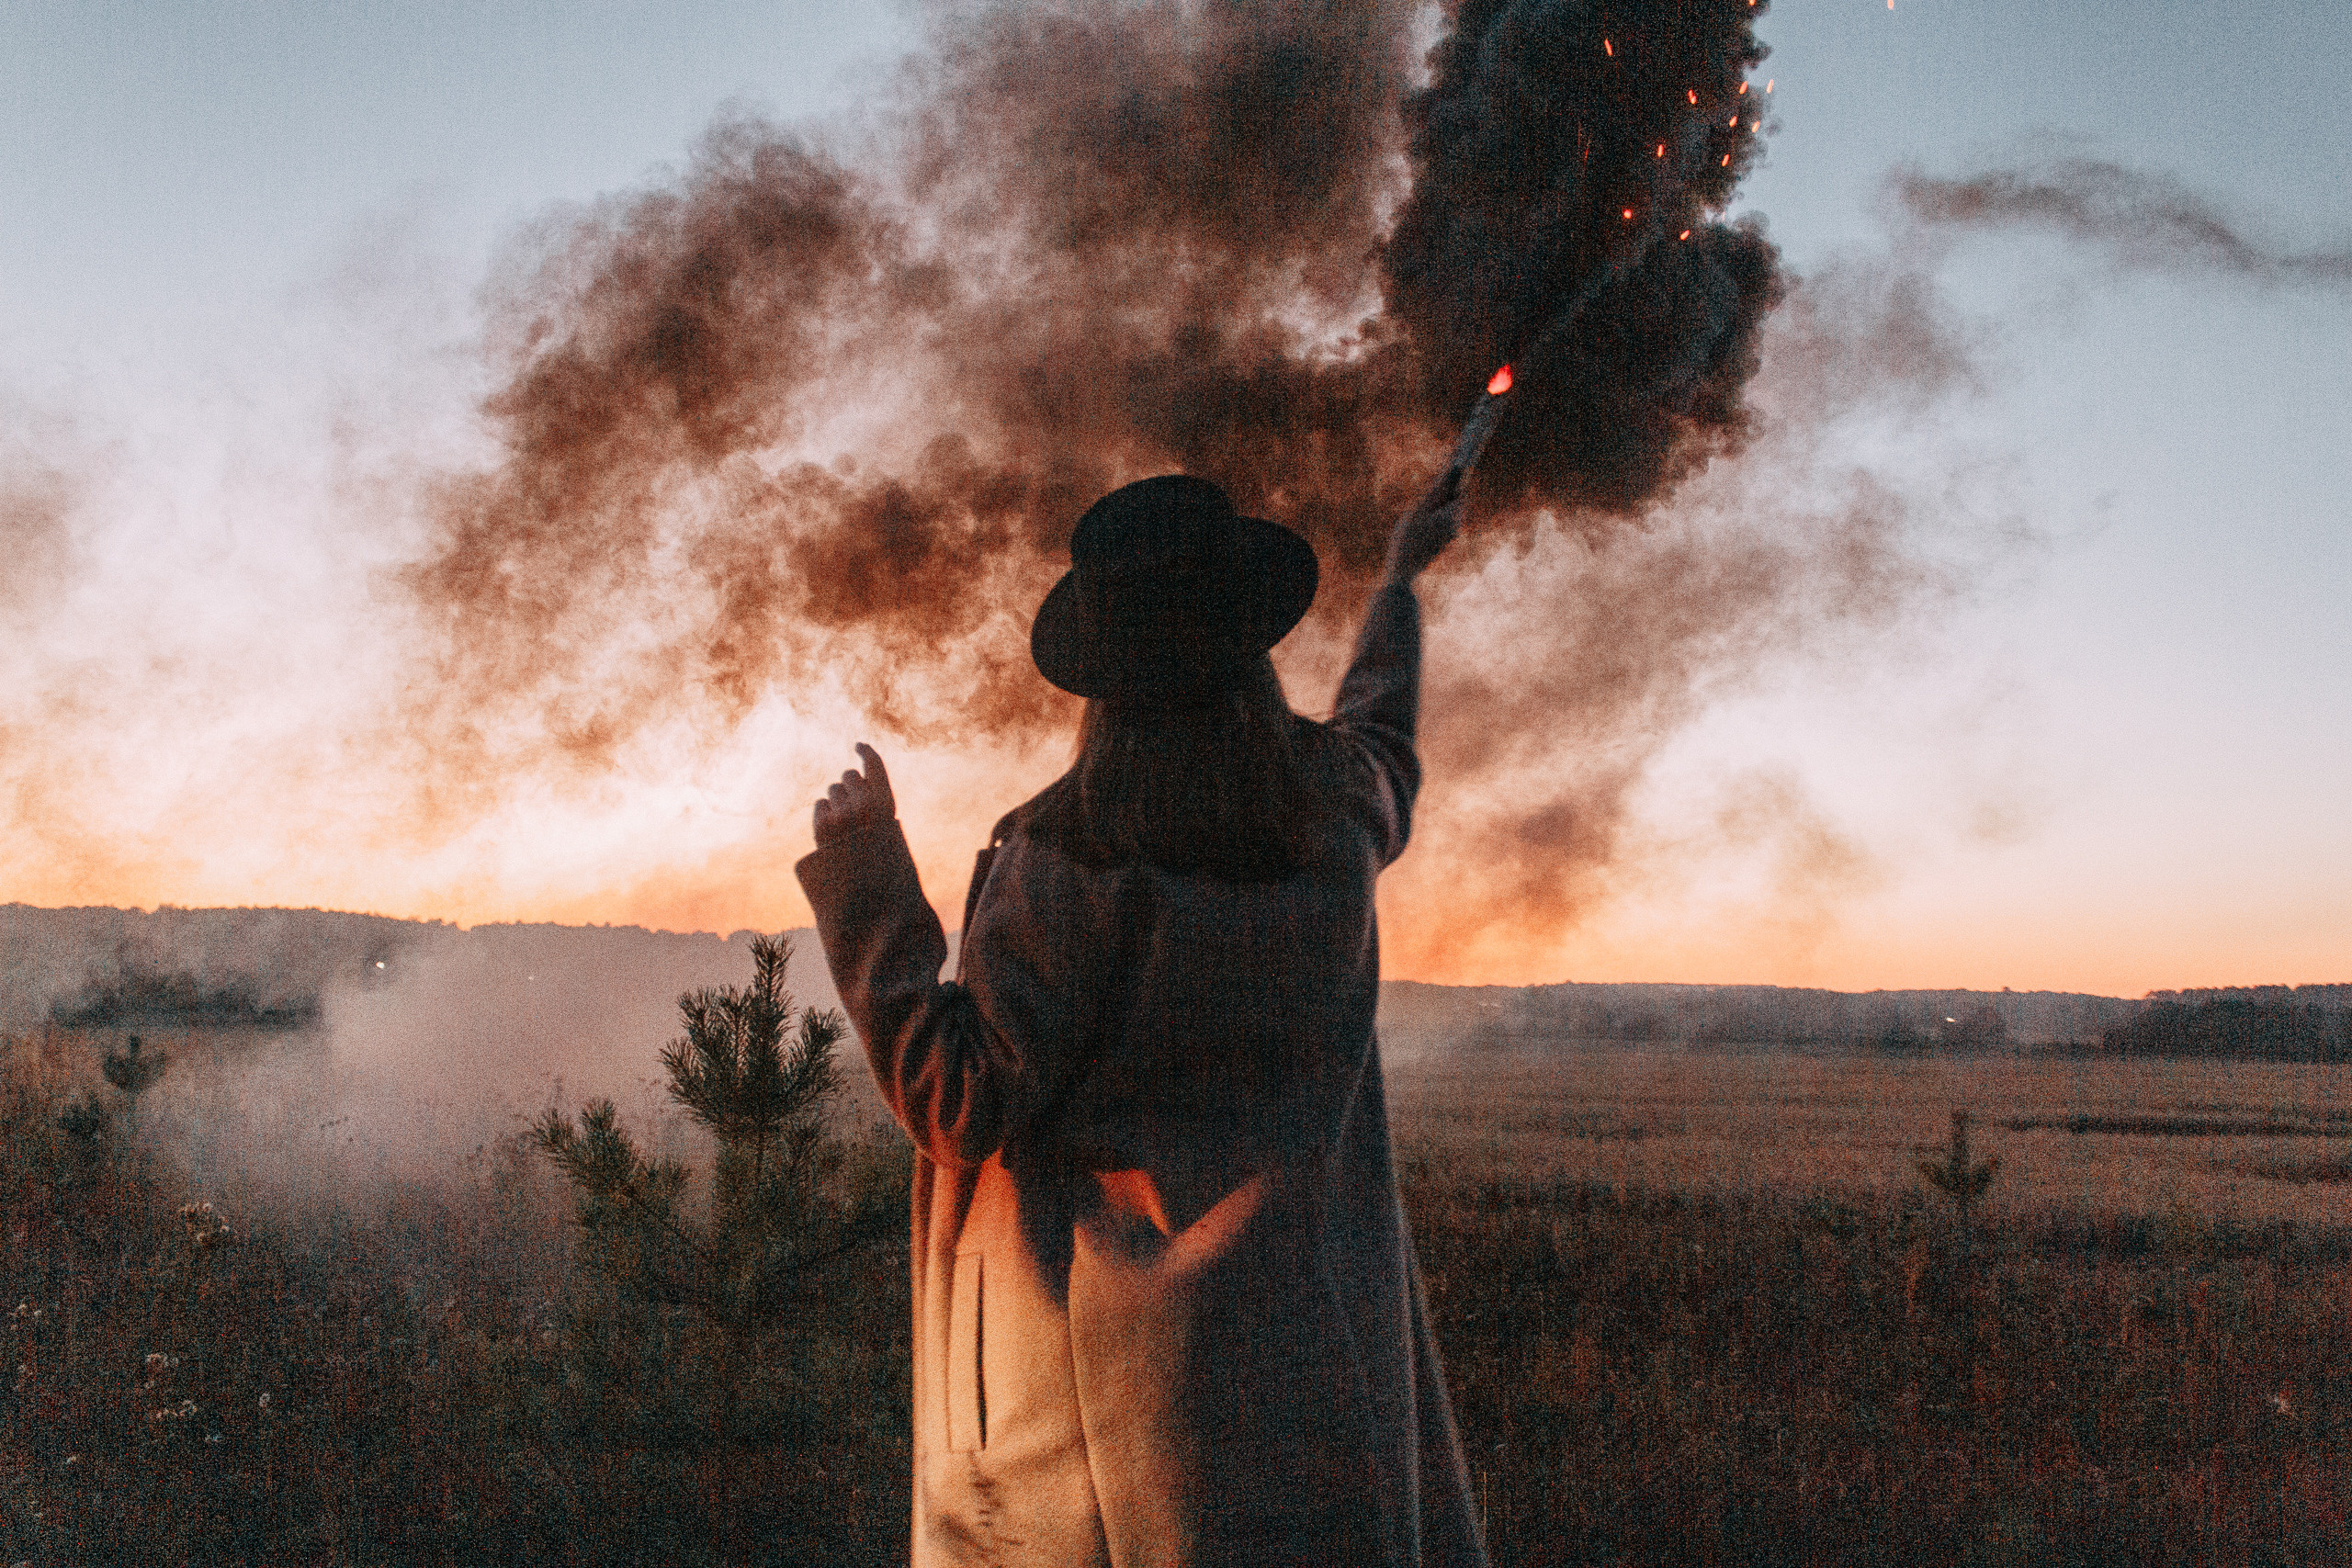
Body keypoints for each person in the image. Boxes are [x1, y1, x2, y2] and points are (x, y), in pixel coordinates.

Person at [797, 470, 1487, 1567]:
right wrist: (1399, 580)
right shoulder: (1336, 806)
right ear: (1248, 646)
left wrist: (867, 874)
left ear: (1104, 681)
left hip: (1092, 1401)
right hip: (1298, 1344)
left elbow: (956, 1101)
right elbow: (1383, 732)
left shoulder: (1071, 859)